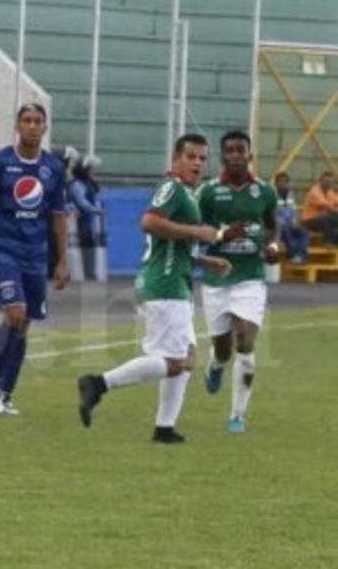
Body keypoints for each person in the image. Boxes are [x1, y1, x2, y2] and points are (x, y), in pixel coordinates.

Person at [77, 134, 239, 442]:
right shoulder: (172, 188)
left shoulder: (187, 194)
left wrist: (206, 261)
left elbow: (170, 243)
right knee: (175, 362)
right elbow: (149, 223)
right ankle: (97, 384)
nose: (197, 163)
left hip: (175, 280)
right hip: (164, 284)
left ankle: (164, 427)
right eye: (190, 156)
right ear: (176, 159)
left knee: (188, 358)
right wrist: (199, 231)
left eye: (202, 158)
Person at [0, 103, 69, 416]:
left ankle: (6, 392)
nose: (31, 126)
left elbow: (57, 217)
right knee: (15, 313)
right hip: (4, 250)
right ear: (17, 126)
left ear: (44, 128)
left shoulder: (53, 168)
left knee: (24, 323)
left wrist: (62, 260)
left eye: (37, 121)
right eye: (26, 120)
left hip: (36, 254)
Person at [195, 131, 279, 434]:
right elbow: (197, 231)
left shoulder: (264, 192)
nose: (235, 155)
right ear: (222, 156)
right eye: (228, 150)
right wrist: (221, 235)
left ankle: (237, 416)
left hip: (251, 278)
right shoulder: (208, 192)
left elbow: (272, 226)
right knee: (223, 348)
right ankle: (215, 365)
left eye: (240, 150)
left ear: (250, 155)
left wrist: (272, 248)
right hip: (217, 280)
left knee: (245, 339)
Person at [69, 156, 105, 280]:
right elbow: (82, 202)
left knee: (91, 245)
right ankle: (86, 272)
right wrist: (96, 210)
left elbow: (95, 198)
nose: (91, 173)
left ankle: (91, 272)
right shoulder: (77, 184)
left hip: (91, 220)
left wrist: (98, 209)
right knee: (85, 244)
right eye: (89, 170)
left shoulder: (89, 183)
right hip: (82, 220)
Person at [273, 172, 310, 263]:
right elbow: (272, 214)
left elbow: (293, 211)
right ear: (276, 183)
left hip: (291, 225)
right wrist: (283, 223)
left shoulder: (291, 195)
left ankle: (301, 255)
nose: (283, 183)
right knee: (285, 230)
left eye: (285, 181)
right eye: (280, 181)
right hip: (278, 227)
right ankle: (293, 255)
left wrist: (295, 222)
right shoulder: (272, 195)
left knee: (304, 231)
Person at [300, 170, 338, 244]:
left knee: (331, 217)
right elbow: (328, 208)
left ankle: (334, 241)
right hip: (308, 220)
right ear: (320, 181)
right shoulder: (314, 192)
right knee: (329, 217)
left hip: (322, 220)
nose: (328, 183)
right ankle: (328, 242)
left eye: (330, 182)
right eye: (326, 181)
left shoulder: (331, 192)